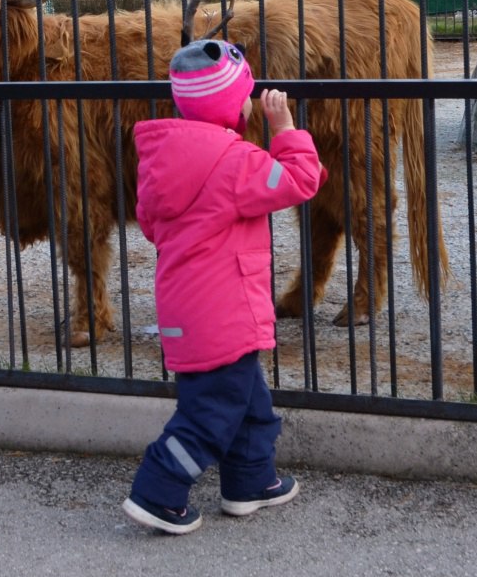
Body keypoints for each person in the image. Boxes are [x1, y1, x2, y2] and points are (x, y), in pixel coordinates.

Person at [122, 39, 327, 535]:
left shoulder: (159, 159)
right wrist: (284, 128)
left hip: (185, 310)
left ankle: (250, 481)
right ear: (234, 106)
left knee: (247, 398)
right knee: (209, 415)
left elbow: (151, 225)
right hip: (227, 310)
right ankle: (158, 491)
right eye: (245, 96)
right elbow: (302, 180)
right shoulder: (233, 161)